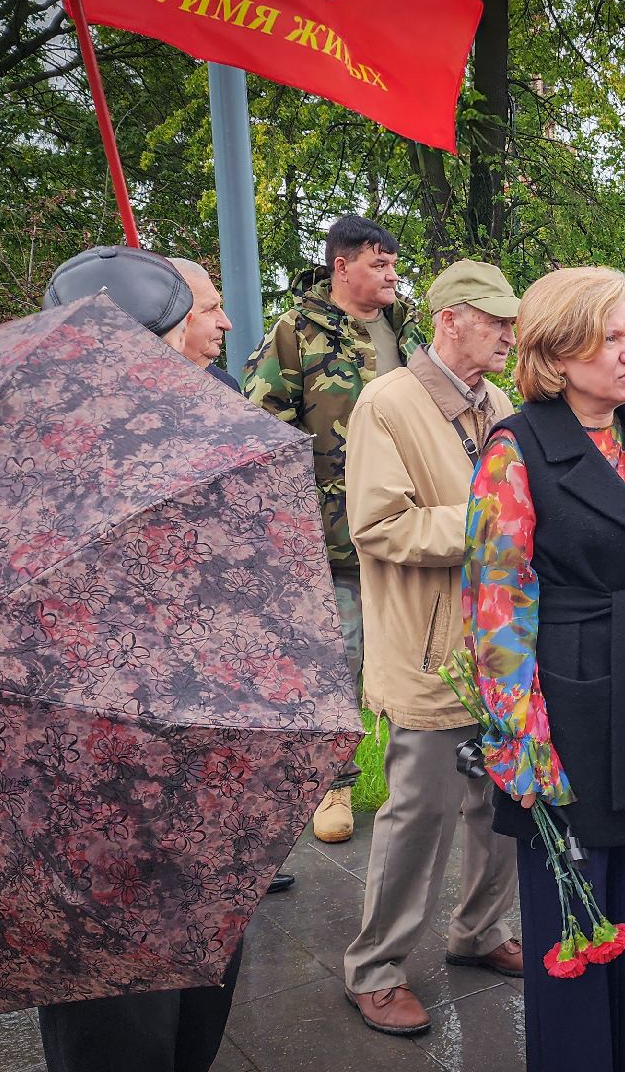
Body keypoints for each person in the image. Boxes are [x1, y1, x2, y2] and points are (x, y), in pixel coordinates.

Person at [464, 266, 625, 1072]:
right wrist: (518, 737)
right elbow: (497, 601)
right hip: (567, 704)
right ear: (558, 348)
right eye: (610, 338)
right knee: (572, 920)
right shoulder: (517, 447)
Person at [36, 245, 251, 1072]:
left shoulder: (206, 414)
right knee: (117, 1021)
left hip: (209, 769)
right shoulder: (49, 455)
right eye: (187, 320)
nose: (217, 330)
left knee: (200, 1003)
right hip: (100, 789)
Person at [340, 260, 525, 1036]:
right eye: (496, 322)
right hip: (428, 655)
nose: (511, 336)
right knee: (419, 815)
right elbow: (377, 525)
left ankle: (480, 932)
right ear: (449, 318)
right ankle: (375, 969)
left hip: (500, 648)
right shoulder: (387, 404)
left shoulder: (501, 401)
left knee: (502, 804)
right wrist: (491, 527)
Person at [244, 215, 428, 844]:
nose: (392, 275)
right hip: (335, 535)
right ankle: (334, 788)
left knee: (417, 656)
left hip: (407, 529)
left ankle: (422, 785)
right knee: (338, 664)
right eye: (380, 264)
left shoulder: (404, 333)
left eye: (393, 264)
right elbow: (261, 428)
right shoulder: (297, 333)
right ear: (341, 266)